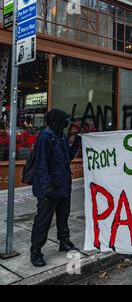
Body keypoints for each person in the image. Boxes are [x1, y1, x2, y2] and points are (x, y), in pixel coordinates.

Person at [30, 109, 82, 267]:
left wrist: (76, 144)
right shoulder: (46, 138)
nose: (67, 124)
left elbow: (68, 158)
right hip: (50, 189)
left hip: (63, 186)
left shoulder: (60, 137)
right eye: (65, 120)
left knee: (63, 216)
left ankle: (64, 241)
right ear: (57, 121)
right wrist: (47, 187)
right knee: (43, 221)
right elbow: (41, 165)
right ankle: (36, 251)